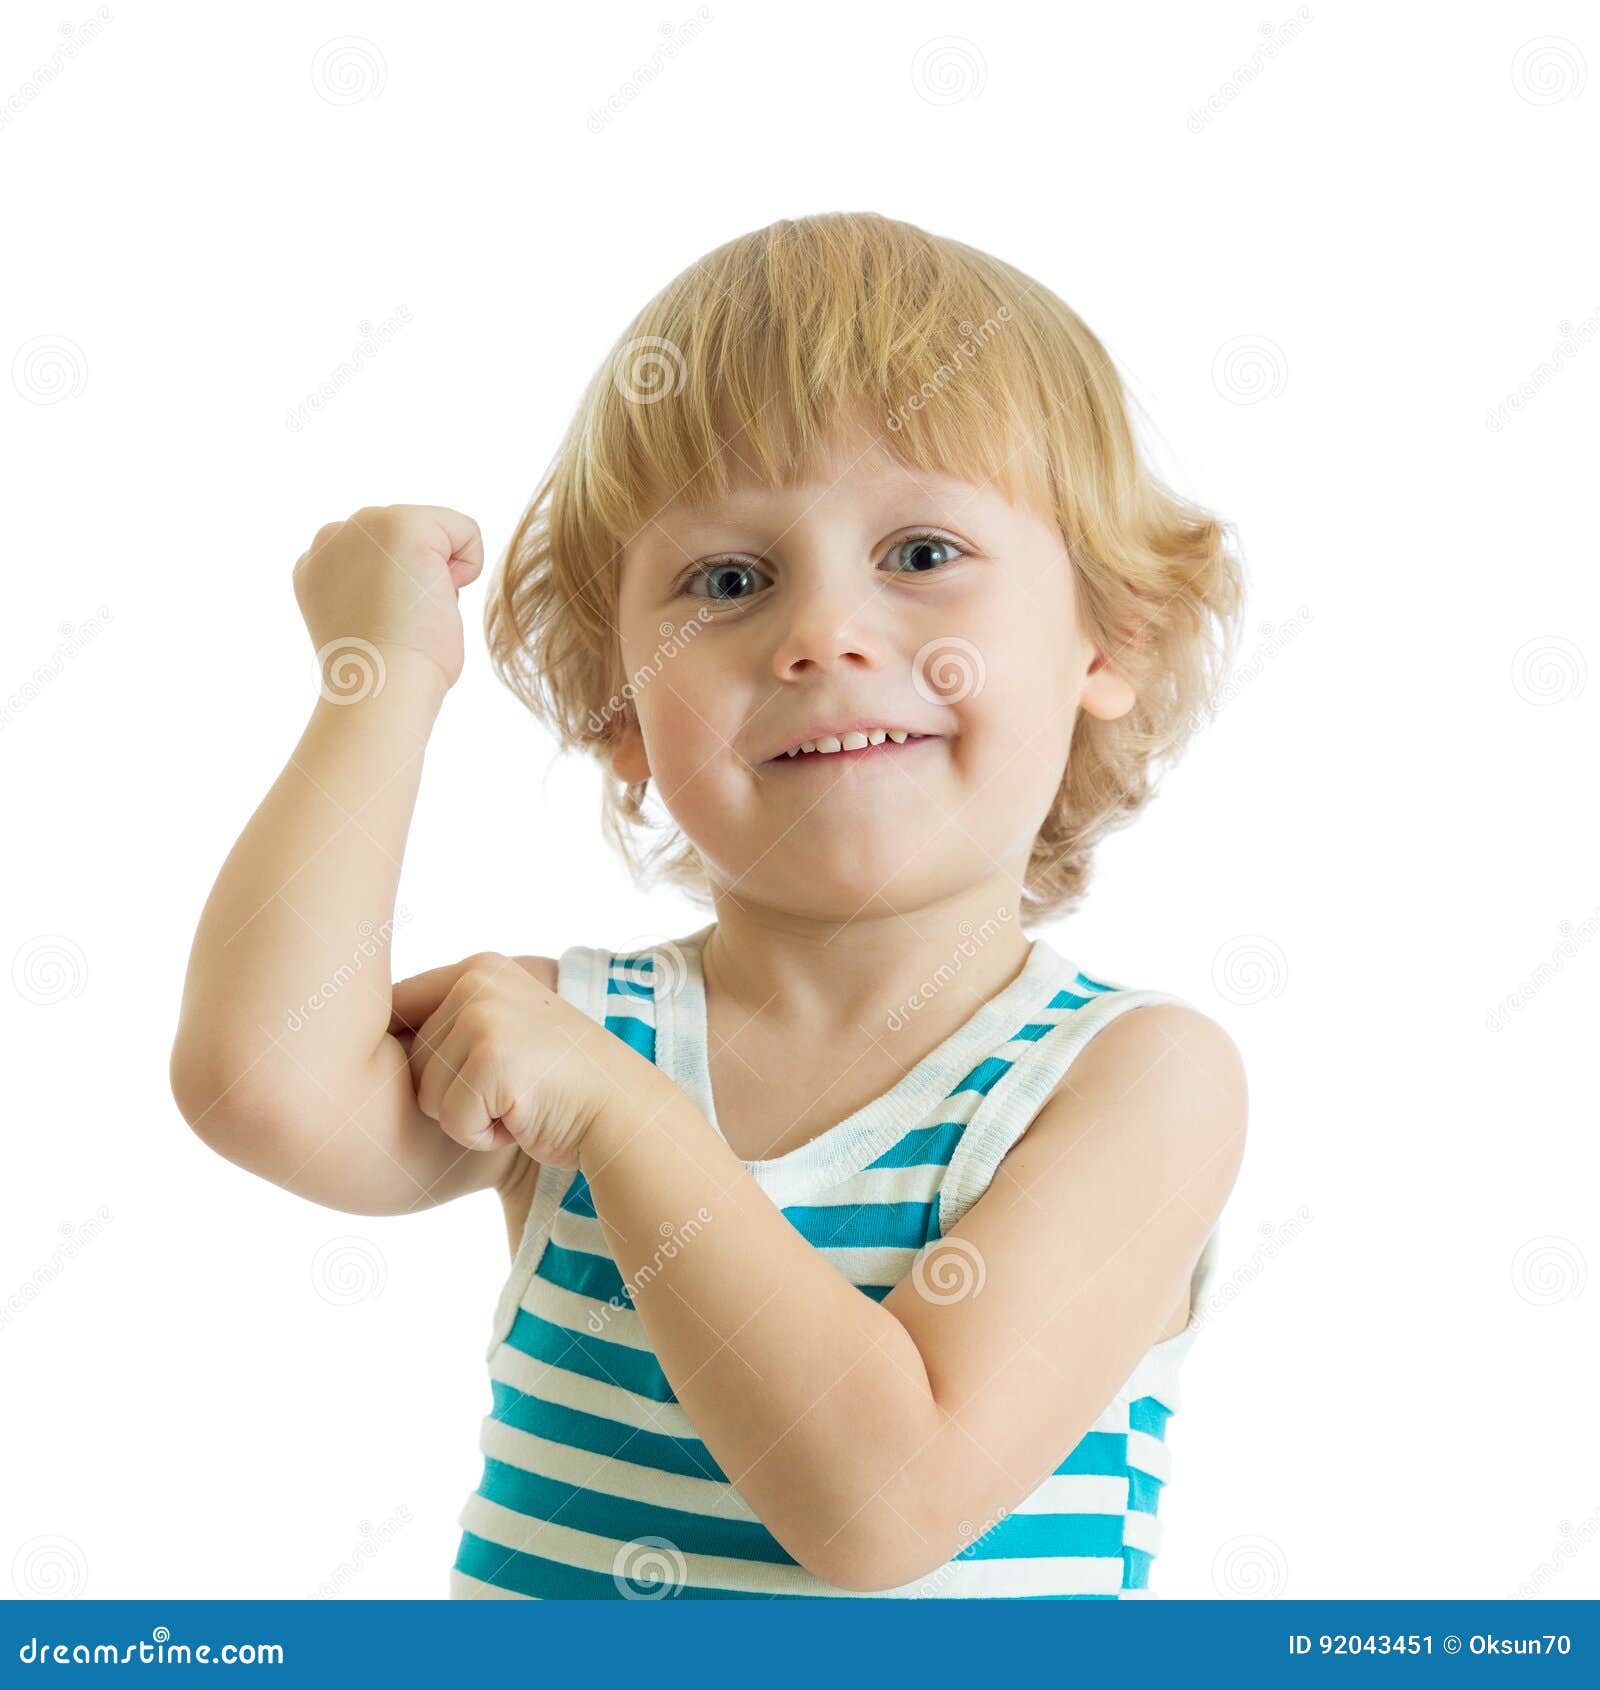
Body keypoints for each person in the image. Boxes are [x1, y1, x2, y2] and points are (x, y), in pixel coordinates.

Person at [170, 211, 1250, 1599]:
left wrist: (622, 1120)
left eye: (922, 553)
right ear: (620, 709)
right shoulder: (572, 1032)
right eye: (728, 581)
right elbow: (257, 1079)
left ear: (1112, 633)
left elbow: (882, 1498)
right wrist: (382, 679)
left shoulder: (1136, 1082)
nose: (821, 634)